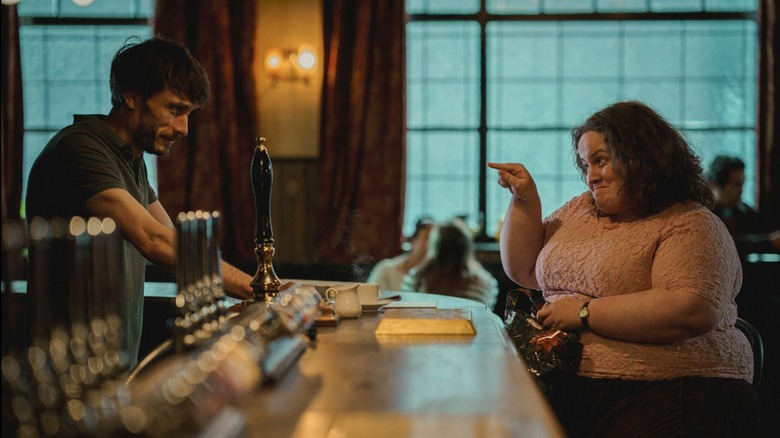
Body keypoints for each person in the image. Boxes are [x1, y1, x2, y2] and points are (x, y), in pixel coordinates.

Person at [488, 100, 758, 436]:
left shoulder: (690, 223)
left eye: (600, 161)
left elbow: (691, 310)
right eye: (586, 165)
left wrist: (585, 313)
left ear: (643, 157)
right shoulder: (579, 210)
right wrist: (524, 199)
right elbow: (523, 269)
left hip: (672, 387)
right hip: (567, 380)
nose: (591, 177)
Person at [25, 36, 254, 369]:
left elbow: (177, 240)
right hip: (68, 372)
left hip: (112, 366)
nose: (184, 128)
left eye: (188, 114)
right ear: (131, 96)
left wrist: (252, 289)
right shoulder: (80, 149)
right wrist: (255, 287)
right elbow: (154, 240)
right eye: (174, 109)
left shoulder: (130, 158)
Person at [401, 218, 498, 309]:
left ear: (434, 246)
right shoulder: (486, 283)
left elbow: (409, 312)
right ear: (466, 247)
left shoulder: (414, 279)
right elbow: (484, 318)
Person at [706, 155, 780, 258]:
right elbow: (726, 244)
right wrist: (769, 242)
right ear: (714, 185)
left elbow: (765, 229)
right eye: (736, 184)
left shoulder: (743, 211)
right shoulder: (705, 216)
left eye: (742, 184)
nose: (741, 191)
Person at [366, 216, 433, 291]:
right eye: (427, 238)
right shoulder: (386, 269)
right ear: (412, 240)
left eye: (435, 239)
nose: (432, 244)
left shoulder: (436, 277)